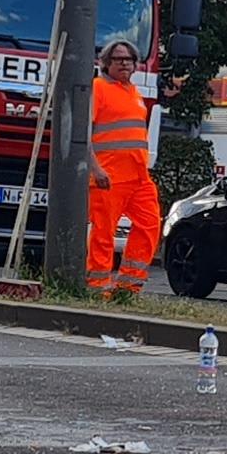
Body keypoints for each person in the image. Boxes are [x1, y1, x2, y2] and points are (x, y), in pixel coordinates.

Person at [85, 38, 160, 298]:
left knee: (150, 225)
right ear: (105, 63)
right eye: (118, 59)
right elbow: (82, 134)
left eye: (129, 59)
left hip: (139, 176)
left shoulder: (133, 93)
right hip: (109, 175)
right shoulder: (97, 88)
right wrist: (95, 170)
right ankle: (97, 286)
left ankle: (128, 286)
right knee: (103, 233)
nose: (125, 64)